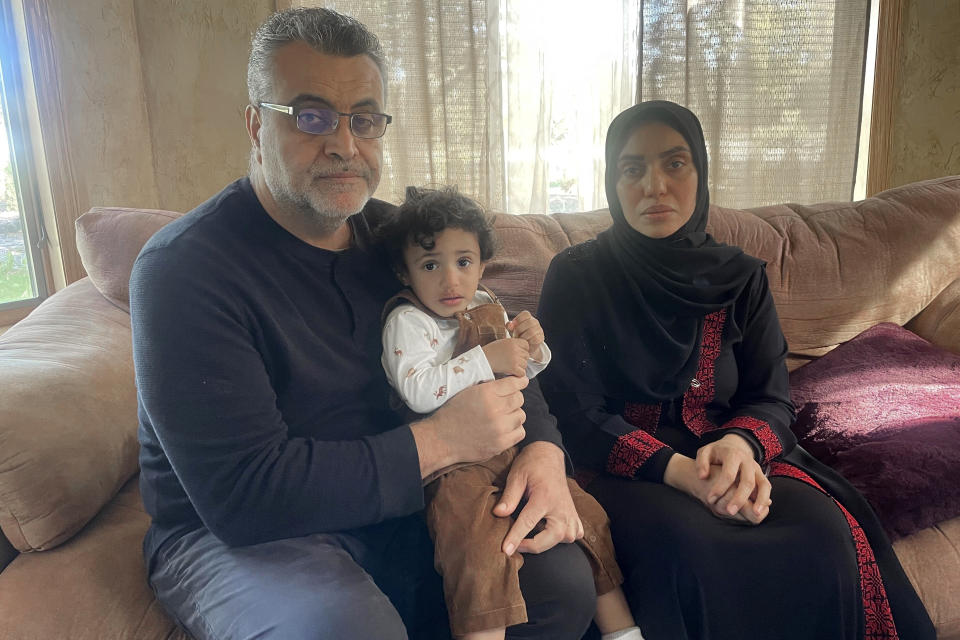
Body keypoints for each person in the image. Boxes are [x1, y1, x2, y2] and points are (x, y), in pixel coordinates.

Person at [129, 8, 597, 640]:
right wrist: (443, 442)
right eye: (311, 116)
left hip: (405, 497)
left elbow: (488, 333)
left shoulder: (399, 239)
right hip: (244, 534)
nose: (344, 144)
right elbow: (243, 497)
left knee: (559, 585)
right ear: (254, 125)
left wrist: (542, 447)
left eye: (365, 119)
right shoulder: (184, 271)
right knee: (346, 629)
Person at [536, 100, 936, 640]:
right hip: (629, 466)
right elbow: (574, 410)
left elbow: (772, 395)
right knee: (685, 546)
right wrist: (679, 473)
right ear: (613, 180)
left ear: (700, 173)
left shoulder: (740, 277)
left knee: (821, 529)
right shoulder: (576, 276)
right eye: (632, 168)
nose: (654, 185)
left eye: (675, 163)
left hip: (733, 456)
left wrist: (742, 447)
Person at [378, 186, 643, 640]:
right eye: (430, 265)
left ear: (482, 264)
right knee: (477, 547)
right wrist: (488, 359)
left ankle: (624, 633)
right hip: (452, 466)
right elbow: (418, 390)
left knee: (588, 516)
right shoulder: (408, 322)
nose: (450, 281)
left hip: (512, 448)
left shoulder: (486, 303)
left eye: (463, 262)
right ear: (405, 273)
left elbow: (525, 371)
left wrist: (534, 347)